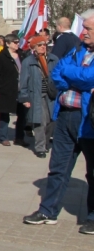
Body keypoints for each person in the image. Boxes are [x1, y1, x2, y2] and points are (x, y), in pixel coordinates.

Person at [24, 14, 94, 235]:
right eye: (84, 28)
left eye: (89, 29)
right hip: (65, 115)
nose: (84, 33)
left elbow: (90, 76)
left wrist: (76, 77)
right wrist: (79, 79)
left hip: (88, 119)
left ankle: (92, 217)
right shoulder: (76, 49)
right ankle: (48, 210)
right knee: (58, 168)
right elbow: (56, 74)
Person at [17, 35, 59, 158]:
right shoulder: (28, 62)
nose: (42, 47)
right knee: (40, 121)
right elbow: (23, 81)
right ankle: (40, 147)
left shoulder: (53, 59)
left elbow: (58, 75)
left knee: (52, 121)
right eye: (39, 45)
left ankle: (45, 143)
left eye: (44, 45)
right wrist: (24, 97)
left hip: (52, 95)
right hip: (36, 95)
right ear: (34, 47)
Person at [0, 34, 21, 146]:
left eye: (18, 42)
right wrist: (0, 86)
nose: (17, 44)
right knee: (5, 113)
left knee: (22, 114)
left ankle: (19, 137)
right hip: (6, 89)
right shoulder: (1, 56)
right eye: (15, 42)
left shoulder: (21, 55)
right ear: (8, 44)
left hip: (20, 88)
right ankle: (3, 136)